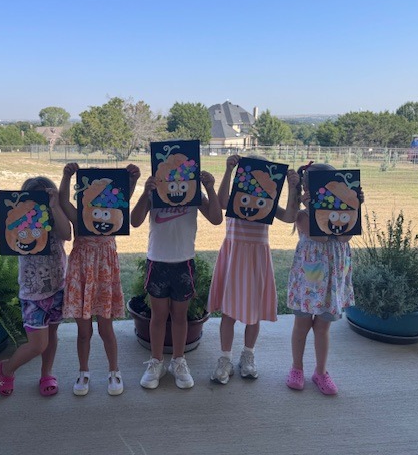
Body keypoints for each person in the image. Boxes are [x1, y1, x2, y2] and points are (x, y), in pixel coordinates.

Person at [208, 154, 300, 384]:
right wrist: (228, 170)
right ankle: (225, 358)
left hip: (257, 259)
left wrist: (292, 187)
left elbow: (290, 216)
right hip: (234, 257)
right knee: (228, 313)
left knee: (254, 312)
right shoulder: (236, 198)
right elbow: (221, 201)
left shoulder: (267, 201)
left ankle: (248, 355)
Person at [130, 168, 222, 389]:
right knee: (158, 316)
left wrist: (210, 188)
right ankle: (156, 362)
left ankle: (178, 361)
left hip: (184, 262)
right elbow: (135, 221)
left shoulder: (194, 191)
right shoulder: (155, 191)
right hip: (157, 262)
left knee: (180, 316)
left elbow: (216, 218)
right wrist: (146, 192)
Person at [59, 163, 140, 396]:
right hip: (82, 273)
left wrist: (132, 180)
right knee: (83, 332)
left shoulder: (114, 215)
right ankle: (83, 372)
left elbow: (123, 199)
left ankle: (114, 371)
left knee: (106, 329)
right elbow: (63, 201)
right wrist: (66, 176)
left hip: (104, 274)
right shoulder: (80, 217)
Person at [0, 177, 71, 398]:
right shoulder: (20, 226)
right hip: (32, 294)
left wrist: (54, 206)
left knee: (51, 335)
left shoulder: (54, 221)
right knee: (37, 345)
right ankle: (7, 369)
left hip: (57, 289)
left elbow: (67, 233)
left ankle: (46, 373)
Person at [285, 162, 362, 395]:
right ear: (307, 191)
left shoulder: (343, 214)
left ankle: (321, 372)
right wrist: (312, 207)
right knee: (302, 325)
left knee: (322, 327)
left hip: (332, 279)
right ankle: (296, 368)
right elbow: (320, 237)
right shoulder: (302, 216)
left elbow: (344, 238)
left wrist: (354, 207)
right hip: (309, 280)